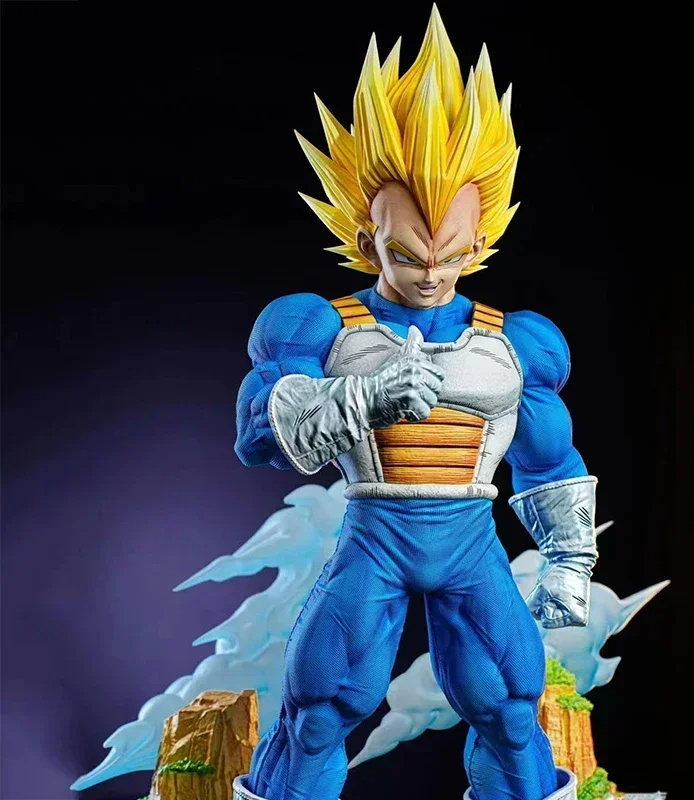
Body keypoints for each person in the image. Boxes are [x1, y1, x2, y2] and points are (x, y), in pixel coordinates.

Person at [232, 7, 597, 800]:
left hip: (468, 539)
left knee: (509, 710)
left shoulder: (516, 343)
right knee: (320, 713)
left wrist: (570, 560)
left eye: (452, 255)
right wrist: (360, 397)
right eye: (407, 254)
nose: (431, 274)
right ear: (367, 240)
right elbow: (258, 434)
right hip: (376, 535)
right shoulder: (319, 326)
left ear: (481, 241)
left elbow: (549, 454)